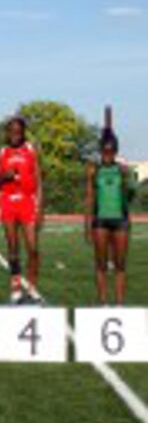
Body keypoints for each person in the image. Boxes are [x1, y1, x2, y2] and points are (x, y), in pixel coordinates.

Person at [85, 123, 136, 306]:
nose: (107, 155)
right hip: (100, 221)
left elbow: (131, 193)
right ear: (100, 151)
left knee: (120, 265)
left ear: (115, 152)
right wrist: (86, 225)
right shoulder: (94, 170)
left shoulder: (123, 170)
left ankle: (120, 304)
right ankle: (103, 303)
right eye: (104, 152)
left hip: (120, 221)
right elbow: (89, 198)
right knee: (101, 264)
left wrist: (126, 178)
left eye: (111, 152)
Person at [0, 116, 43, 304]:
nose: (15, 134)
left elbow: (39, 179)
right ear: (7, 133)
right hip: (7, 202)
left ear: (23, 132)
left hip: (27, 202)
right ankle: (15, 285)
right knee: (13, 247)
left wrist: (41, 207)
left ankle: (31, 286)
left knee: (33, 248)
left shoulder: (30, 149)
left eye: (18, 131)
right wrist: (4, 177)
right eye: (11, 131)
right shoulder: (3, 152)